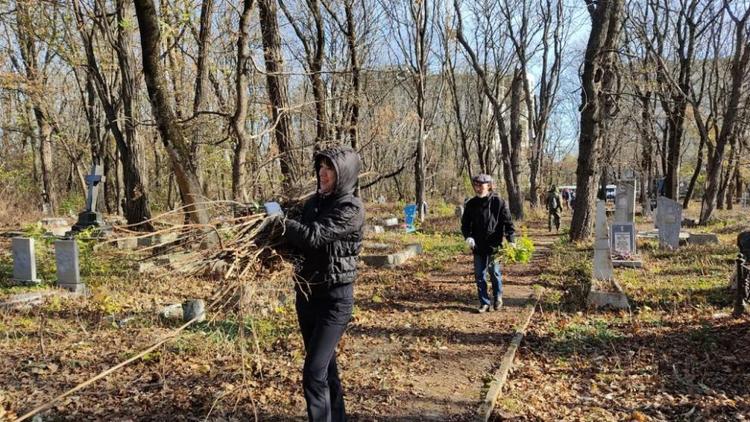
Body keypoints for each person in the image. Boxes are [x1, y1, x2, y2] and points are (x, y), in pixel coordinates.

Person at [265, 146, 364, 422]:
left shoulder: (350, 208)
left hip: (334, 300)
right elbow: (297, 243)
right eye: (320, 167)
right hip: (307, 295)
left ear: (343, 174)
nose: (322, 173)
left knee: (313, 373)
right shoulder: (312, 203)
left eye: (329, 168)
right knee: (325, 370)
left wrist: (280, 222)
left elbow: (312, 237)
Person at [461, 174, 516, 313]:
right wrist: (468, 237)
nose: (478, 188)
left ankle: (498, 298)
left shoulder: (499, 202)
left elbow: (508, 223)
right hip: (478, 245)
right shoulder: (471, 204)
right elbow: (465, 224)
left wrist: (511, 241)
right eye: (476, 185)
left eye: (481, 185)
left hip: (494, 245)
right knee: (480, 274)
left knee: (494, 272)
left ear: (489, 185)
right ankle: (484, 302)